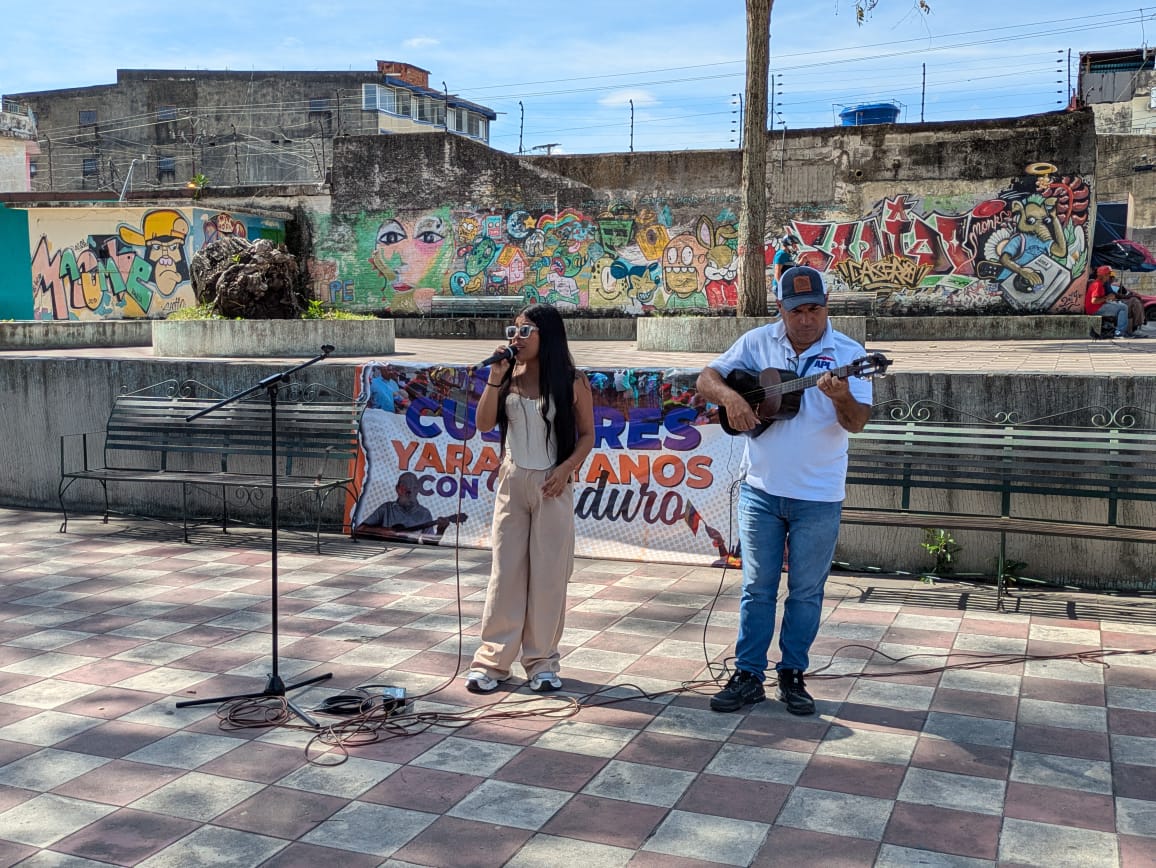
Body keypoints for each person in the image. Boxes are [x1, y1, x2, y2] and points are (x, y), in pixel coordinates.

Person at [696, 265, 873, 716]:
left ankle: (792, 674)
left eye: (814, 309)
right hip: (761, 491)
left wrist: (841, 397)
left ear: (827, 305)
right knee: (757, 587)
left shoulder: (849, 354)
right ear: (781, 308)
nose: (806, 319)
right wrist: (733, 398)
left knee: (806, 591)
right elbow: (706, 378)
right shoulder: (757, 342)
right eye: (796, 311)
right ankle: (748, 675)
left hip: (819, 495)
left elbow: (857, 423)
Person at [465, 304, 595, 694]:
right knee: (505, 572)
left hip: (552, 484)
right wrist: (494, 377)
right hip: (513, 480)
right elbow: (483, 424)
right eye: (513, 331)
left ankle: (542, 662)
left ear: (547, 336)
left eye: (525, 331)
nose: (516, 339)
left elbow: (588, 435)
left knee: (548, 576)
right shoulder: (507, 375)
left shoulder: (572, 381)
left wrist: (566, 468)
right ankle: (492, 662)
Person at [357, 471, 461, 543]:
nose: (409, 492)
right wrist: (384, 531)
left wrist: (440, 531)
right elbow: (360, 529)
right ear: (397, 489)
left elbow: (429, 543)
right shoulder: (386, 509)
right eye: (405, 488)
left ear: (418, 490)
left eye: (413, 488)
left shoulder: (424, 513)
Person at [1085, 265, 1132, 338]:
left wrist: (1109, 299)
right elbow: (1094, 301)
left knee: (1121, 307)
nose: (1109, 277)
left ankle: (1119, 331)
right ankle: (1119, 332)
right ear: (1103, 275)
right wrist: (1107, 297)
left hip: (1098, 306)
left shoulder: (1100, 284)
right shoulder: (1097, 284)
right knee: (1123, 307)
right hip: (1094, 309)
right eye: (1108, 274)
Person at [1108, 271, 1147, 337]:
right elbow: (1115, 296)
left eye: (1112, 278)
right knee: (1134, 302)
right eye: (1111, 278)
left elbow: (1118, 295)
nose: (1112, 279)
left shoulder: (1109, 285)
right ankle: (1135, 327)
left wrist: (1129, 296)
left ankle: (1134, 328)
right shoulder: (1105, 285)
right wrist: (1130, 296)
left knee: (1134, 303)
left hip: (1115, 304)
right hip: (1111, 306)